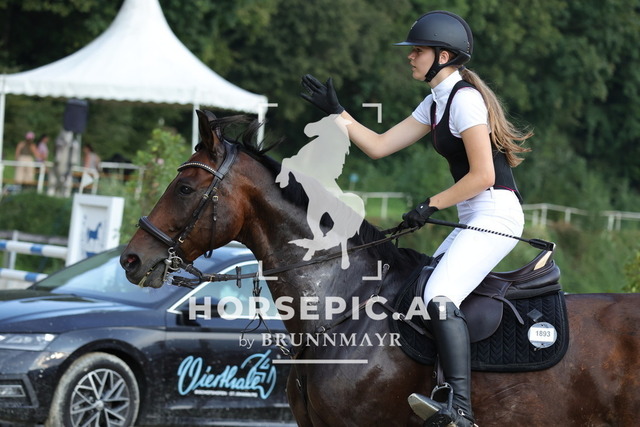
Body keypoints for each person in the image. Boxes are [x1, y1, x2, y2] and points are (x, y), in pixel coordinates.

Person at [300, 10, 532, 427]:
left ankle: (461, 410)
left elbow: (484, 175)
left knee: (439, 294)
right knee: (418, 290)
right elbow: (379, 145)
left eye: (418, 51)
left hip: (496, 213)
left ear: (443, 56)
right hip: (473, 213)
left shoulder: (465, 100)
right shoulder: (436, 102)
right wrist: (337, 112)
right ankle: (439, 388)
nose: (410, 57)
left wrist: (431, 204)